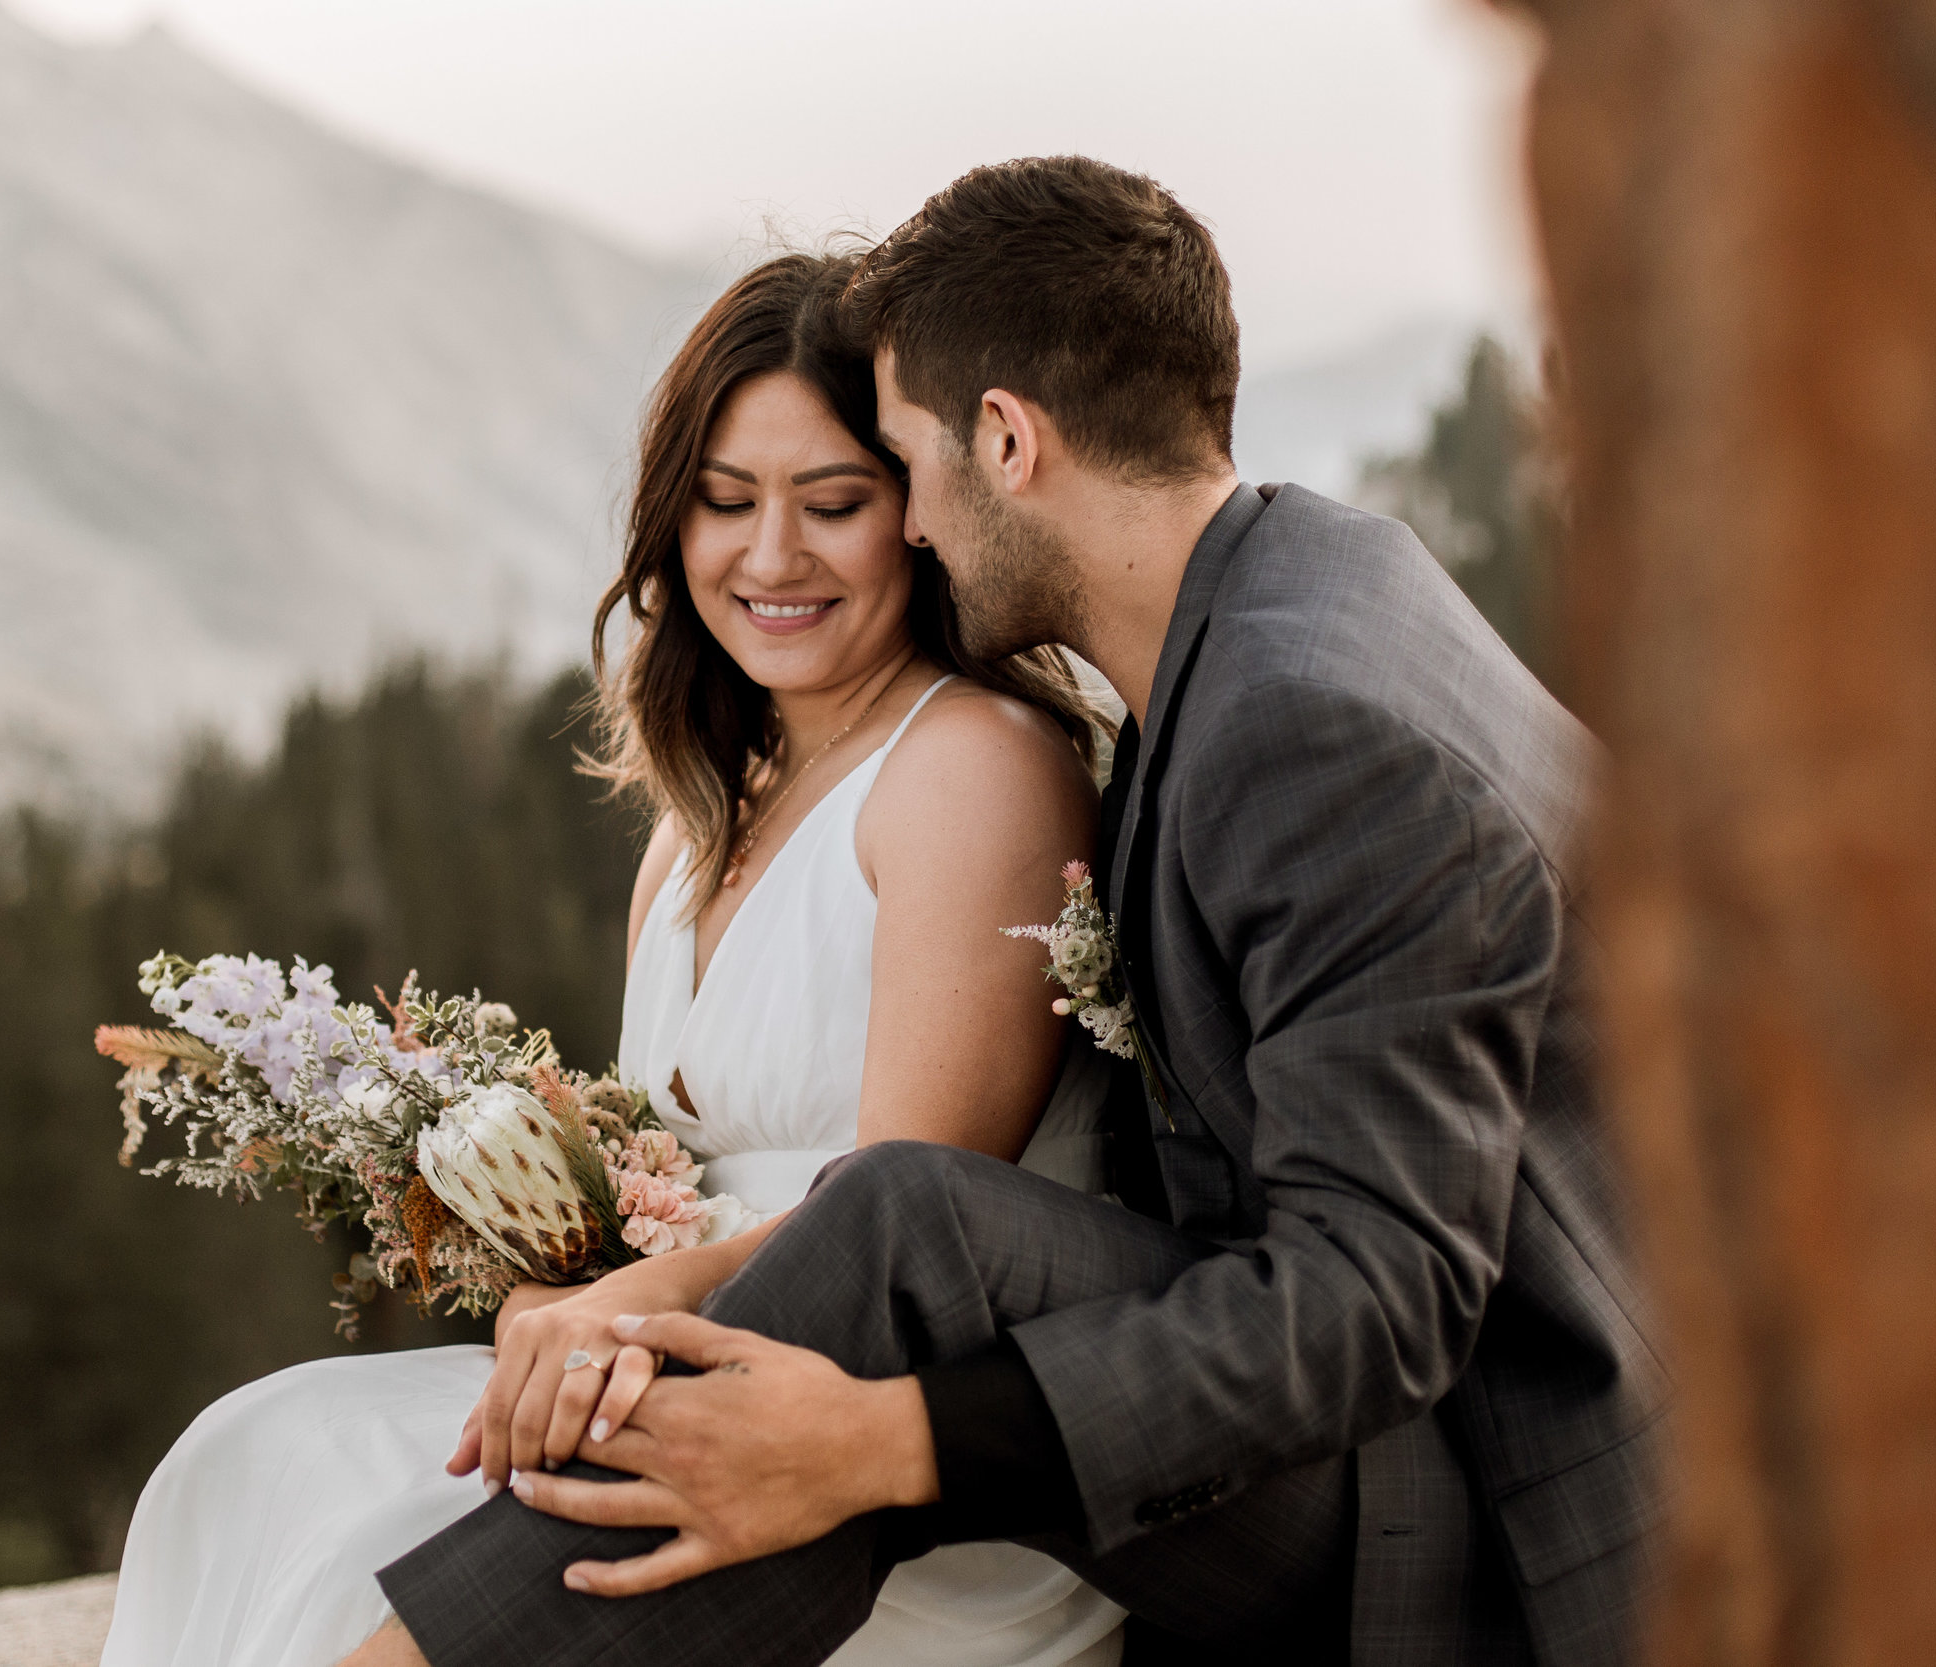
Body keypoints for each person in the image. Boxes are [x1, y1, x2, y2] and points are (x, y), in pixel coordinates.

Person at [355, 157, 1664, 1667]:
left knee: (908, 1229)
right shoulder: (1299, 593)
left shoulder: (1312, 726)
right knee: (913, 1221)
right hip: (1413, 1405)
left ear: (1005, 439)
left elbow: (1380, 1303)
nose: (902, 528)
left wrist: (881, 1444)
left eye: (895, 466)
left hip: (1501, 1504)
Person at [99, 251, 1134, 1667]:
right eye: (724, 502)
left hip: (859, 1452)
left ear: (922, 512)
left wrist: (622, 1308)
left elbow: (900, 1244)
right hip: (671, 1359)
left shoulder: (975, 771)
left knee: (372, 1558)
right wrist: (557, 1289)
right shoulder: (698, 823)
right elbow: (668, 1179)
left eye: (833, 502)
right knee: (254, 1454)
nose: (771, 557)